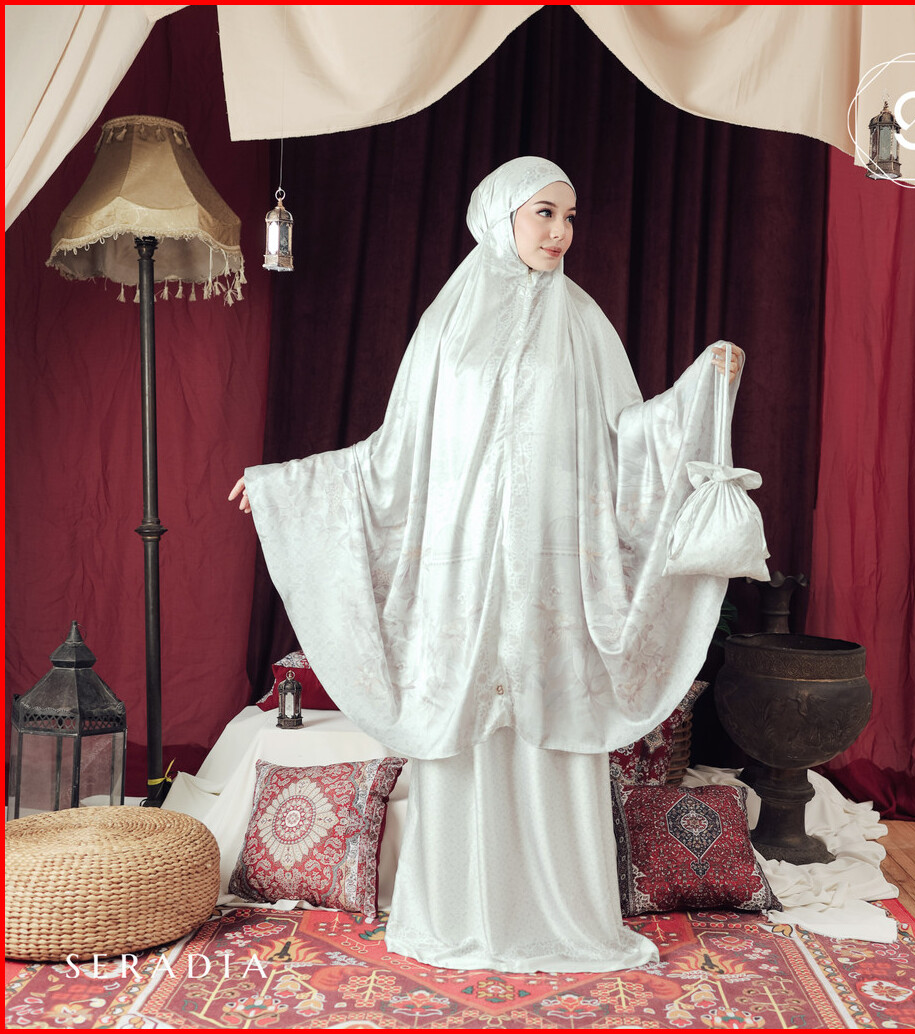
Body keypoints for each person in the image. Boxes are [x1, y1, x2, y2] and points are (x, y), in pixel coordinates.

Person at [229, 157, 744, 972]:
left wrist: (698, 396)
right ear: (501, 216)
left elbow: (629, 446)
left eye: (569, 217)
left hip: (552, 580)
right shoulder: (447, 326)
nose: (560, 232)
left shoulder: (584, 323)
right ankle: (457, 914)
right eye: (544, 213)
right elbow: (394, 457)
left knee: (551, 732)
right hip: (462, 584)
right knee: (466, 731)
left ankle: (560, 918)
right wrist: (287, 489)